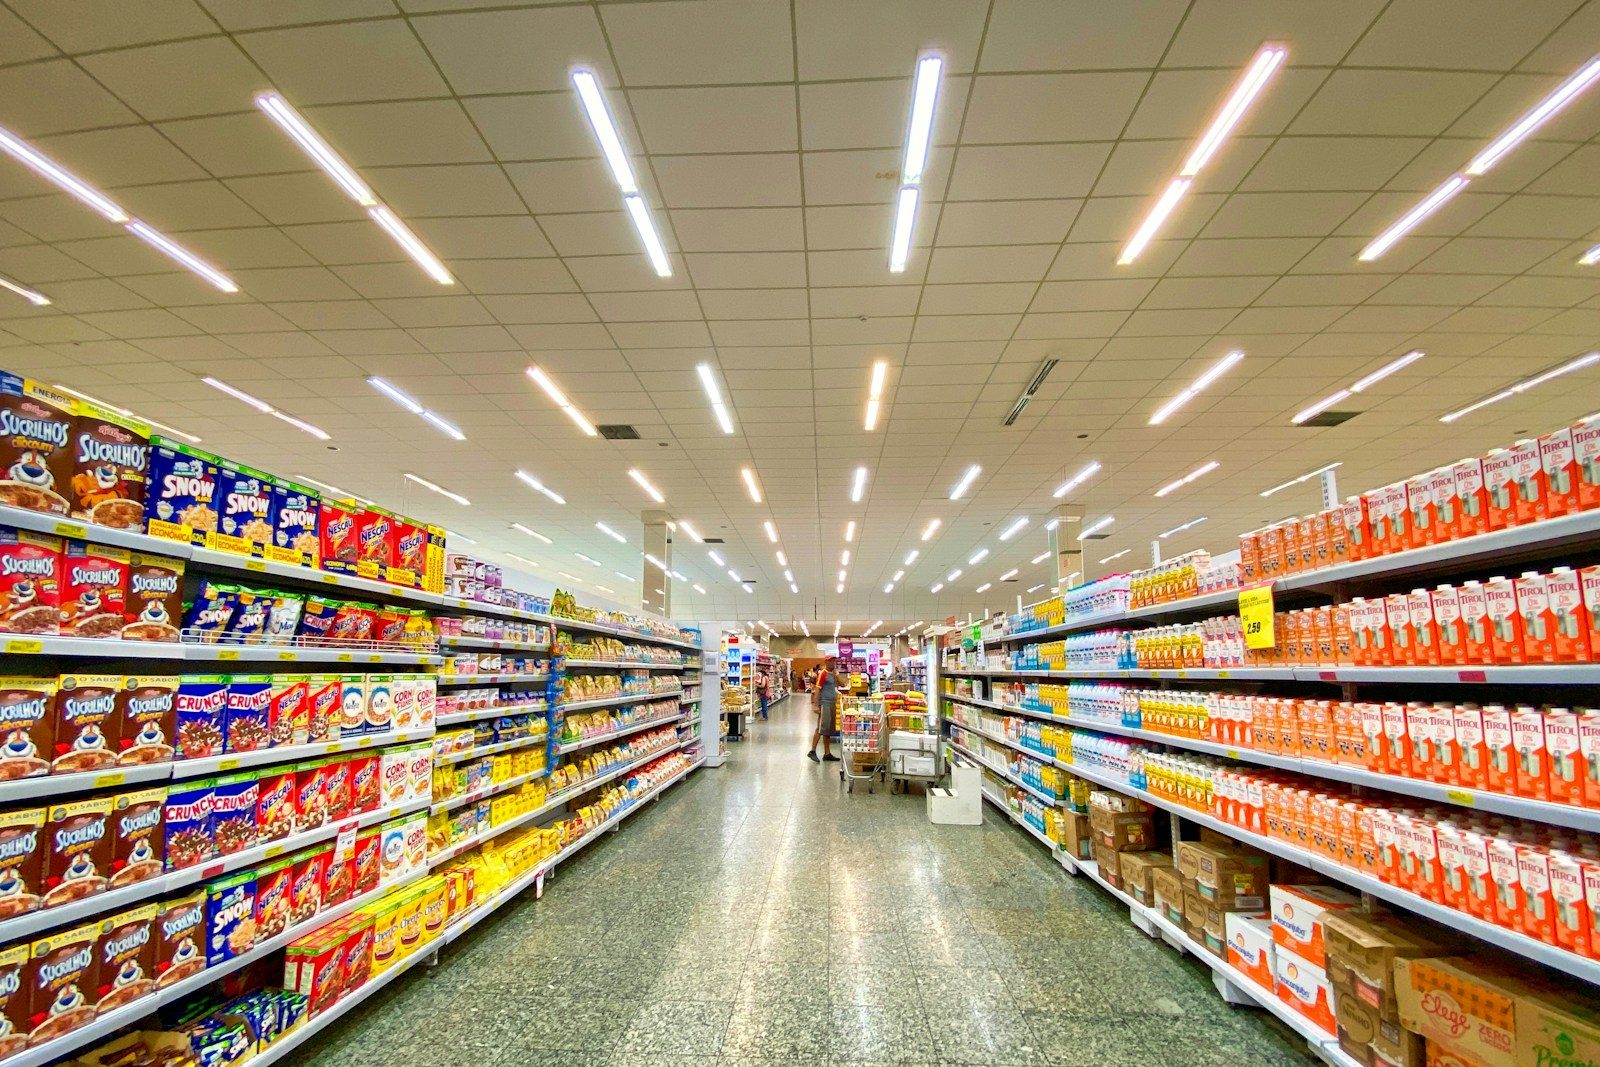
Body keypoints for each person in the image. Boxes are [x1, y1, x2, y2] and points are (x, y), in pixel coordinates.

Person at [807, 656, 840, 763]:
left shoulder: (833, 674)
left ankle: (827, 753)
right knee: (821, 728)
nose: (833, 662)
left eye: (834, 660)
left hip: (832, 703)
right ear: (826, 662)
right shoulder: (823, 673)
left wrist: (836, 674)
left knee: (828, 730)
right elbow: (817, 689)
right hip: (825, 703)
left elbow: (843, 684)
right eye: (831, 661)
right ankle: (812, 751)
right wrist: (816, 705)